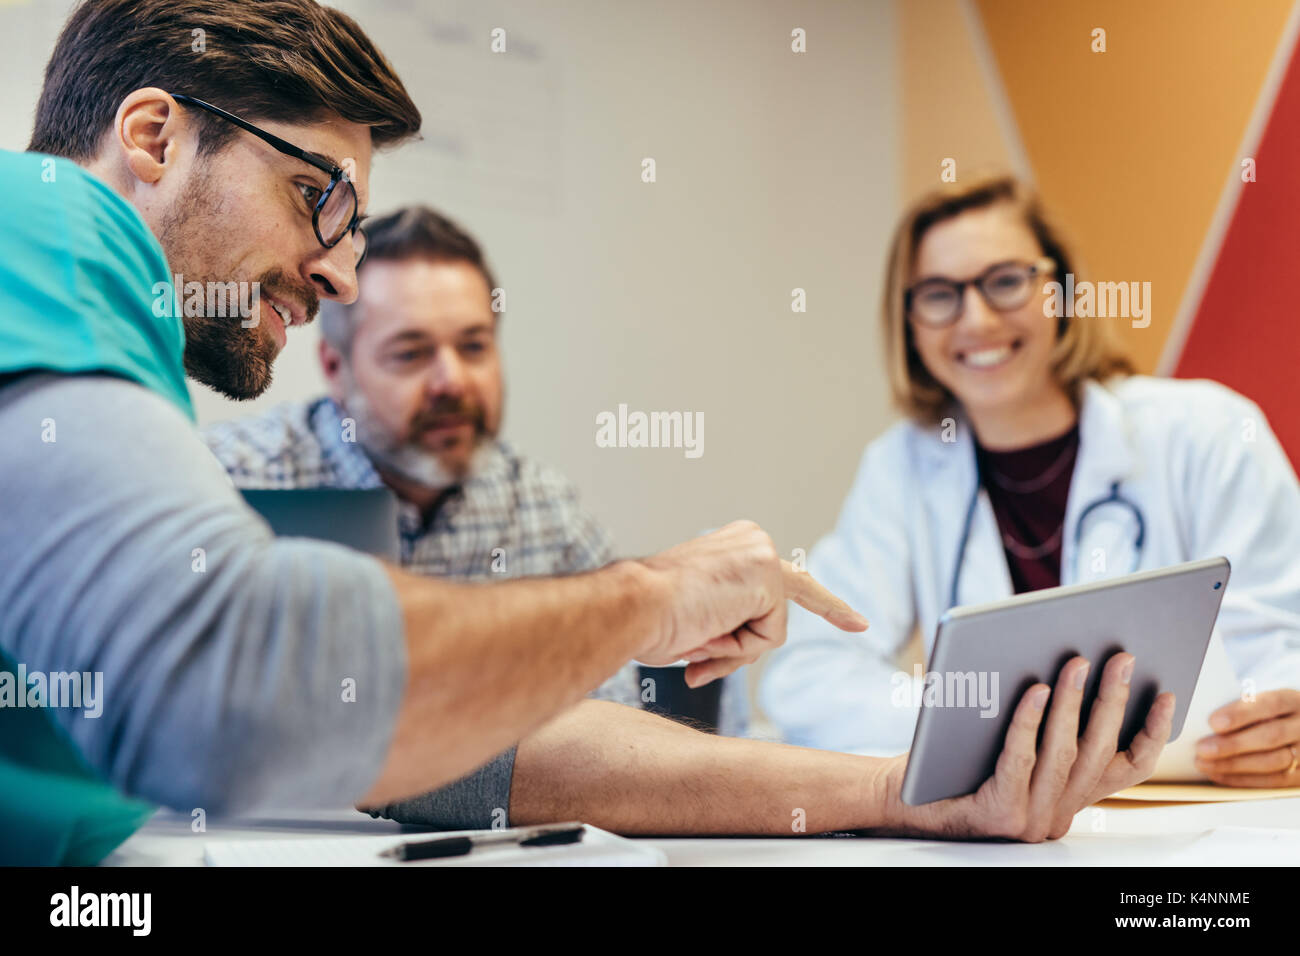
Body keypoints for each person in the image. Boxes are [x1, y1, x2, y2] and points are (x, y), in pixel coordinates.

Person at [0, 1, 1172, 862]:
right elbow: (239, 682)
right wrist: (651, 594)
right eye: (325, 198)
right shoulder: (50, 224)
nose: (341, 272)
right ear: (151, 136)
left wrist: (902, 789)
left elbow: (456, 745)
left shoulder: (116, 344)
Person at [761, 175, 1300, 789]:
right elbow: (806, 674)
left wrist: (1281, 720)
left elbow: (1281, 648)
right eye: (939, 294)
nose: (977, 318)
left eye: (1006, 281)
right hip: (1002, 835)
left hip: (1195, 822)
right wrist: (983, 720)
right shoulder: (904, 466)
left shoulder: (1207, 432)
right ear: (910, 321)